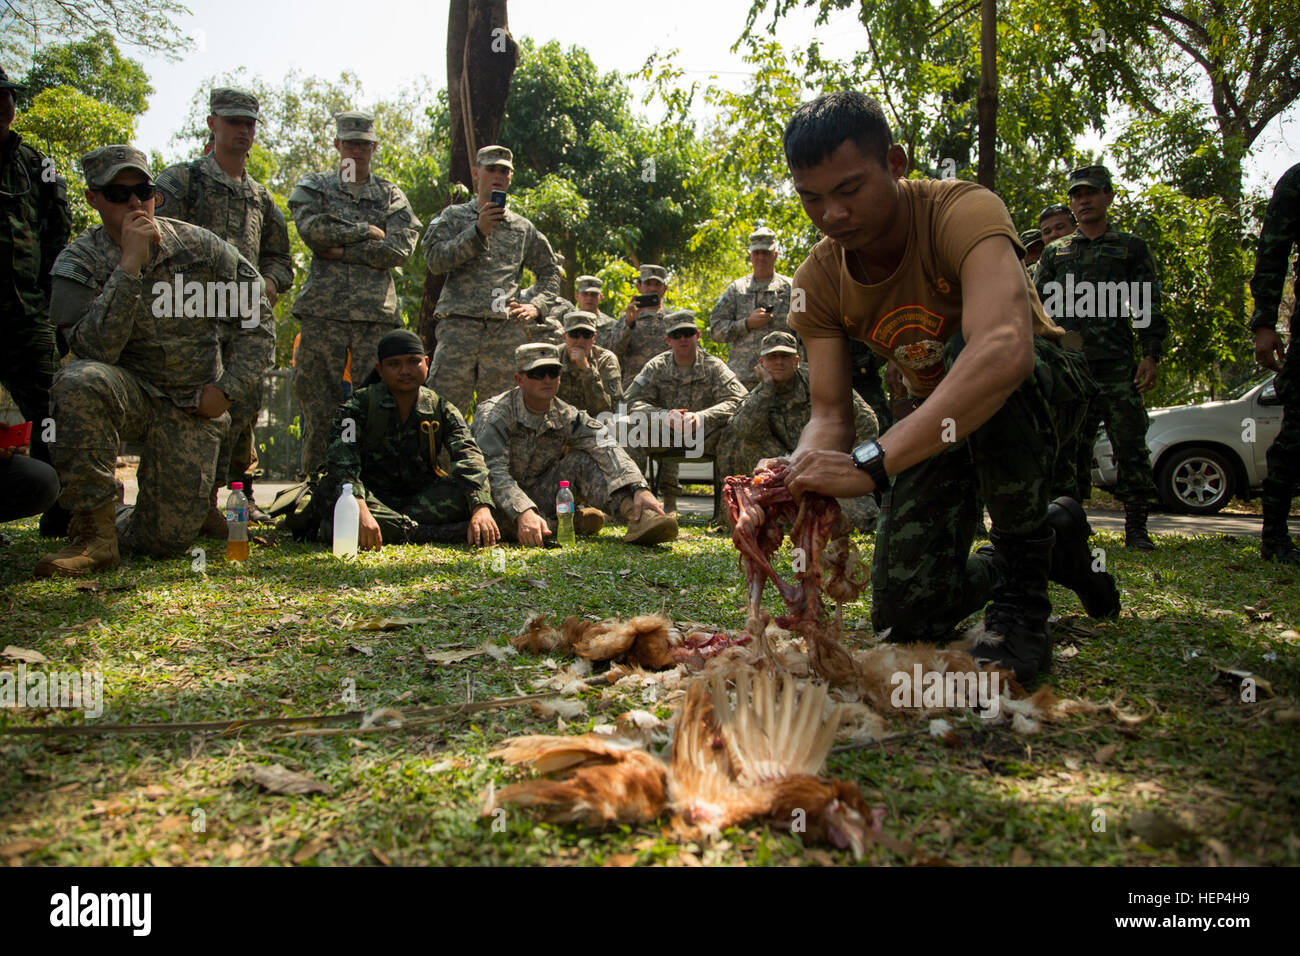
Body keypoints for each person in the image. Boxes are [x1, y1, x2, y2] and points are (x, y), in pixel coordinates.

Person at [779, 91, 1117, 683]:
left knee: (973, 351)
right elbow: (829, 411)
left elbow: (1004, 350)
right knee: (907, 610)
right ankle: (1054, 542)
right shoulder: (818, 279)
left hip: (1038, 394)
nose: (831, 214)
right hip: (940, 423)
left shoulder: (964, 209)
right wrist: (802, 466)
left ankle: (1022, 600)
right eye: (812, 198)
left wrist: (874, 461)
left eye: (850, 190)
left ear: (897, 163)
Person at [36, 145, 274, 576]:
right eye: (117, 193)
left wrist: (226, 389)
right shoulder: (78, 262)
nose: (134, 203)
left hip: (190, 405)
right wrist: (129, 266)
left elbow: (257, 318)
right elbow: (93, 352)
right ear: (92, 199)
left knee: (163, 541)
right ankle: (94, 533)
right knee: (78, 380)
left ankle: (185, 509)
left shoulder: (201, 248)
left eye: (143, 191)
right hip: (128, 394)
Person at [156, 87, 294, 529]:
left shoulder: (260, 198)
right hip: (191, 319)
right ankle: (191, 502)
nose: (242, 130)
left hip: (245, 322)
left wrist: (270, 283)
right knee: (193, 408)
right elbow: (155, 239)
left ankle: (238, 498)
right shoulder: (181, 183)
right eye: (233, 121)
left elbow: (280, 257)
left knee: (244, 408)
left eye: (249, 123)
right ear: (212, 123)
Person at [1034, 164, 1167, 550]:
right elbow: (1037, 305)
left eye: (1091, 193)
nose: (1083, 200)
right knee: (1069, 447)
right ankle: (1071, 525)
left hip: (1117, 363)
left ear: (1109, 196)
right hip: (1071, 364)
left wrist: (1150, 354)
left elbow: (1146, 303)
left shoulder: (1130, 248)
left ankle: (1137, 528)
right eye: (1076, 195)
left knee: (1129, 442)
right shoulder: (1057, 252)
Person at [289, 111, 420, 475]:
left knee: (379, 401)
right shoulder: (316, 187)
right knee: (318, 400)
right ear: (337, 145)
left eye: (364, 144)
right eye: (350, 143)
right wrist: (366, 230)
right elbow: (312, 231)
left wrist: (342, 250)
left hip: (374, 317)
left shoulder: (391, 195)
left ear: (374, 147)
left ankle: (374, 483)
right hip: (323, 313)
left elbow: (399, 250)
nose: (357, 151)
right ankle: (317, 484)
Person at [473, 343, 678, 547]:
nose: (547, 379)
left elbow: (606, 444)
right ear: (520, 379)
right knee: (483, 525)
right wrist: (523, 511)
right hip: (495, 500)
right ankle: (569, 522)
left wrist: (639, 487)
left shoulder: (566, 414)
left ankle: (638, 515)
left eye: (553, 372)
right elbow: (492, 471)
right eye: (538, 373)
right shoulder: (496, 414)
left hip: (541, 491)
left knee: (582, 461)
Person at [311, 329, 498, 549]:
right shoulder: (357, 407)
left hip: (418, 501)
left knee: (467, 490)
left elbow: (468, 454)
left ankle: (385, 528)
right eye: (394, 364)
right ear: (380, 369)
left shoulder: (440, 408)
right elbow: (342, 461)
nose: (405, 371)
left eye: (413, 362)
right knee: (333, 495)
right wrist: (359, 508)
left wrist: (481, 507)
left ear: (426, 363)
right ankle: (427, 533)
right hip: (369, 497)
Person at [422, 145, 562, 416]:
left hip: (502, 332)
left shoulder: (521, 227)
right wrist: (477, 232)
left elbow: (550, 270)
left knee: (499, 416)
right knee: (442, 412)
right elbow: (435, 261)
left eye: (504, 171)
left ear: (510, 178)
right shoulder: (454, 217)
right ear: (476, 173)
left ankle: (491, 461)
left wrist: (537, 306)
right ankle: (441, 461)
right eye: (491, 169)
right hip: (459, 327)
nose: (497, 175)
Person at [0, 66, 71, 535]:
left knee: (50, 411)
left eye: (7, 96)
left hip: (27, 314)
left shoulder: (33, 163)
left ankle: (61, 513)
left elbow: (57, 229)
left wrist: (48, 297)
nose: (5, 104)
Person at [724, 330, 879, 531]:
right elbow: (743, 430)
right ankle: (780, 505)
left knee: (860, 520)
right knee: (748, 442)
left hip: (829, 465)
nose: (779, 362)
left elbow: (866, 421)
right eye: (773, 357)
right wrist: (767, 387)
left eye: (785, 357)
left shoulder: (821, 383)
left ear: (796, 360)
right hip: (784, 472)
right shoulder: (759, 392)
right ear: (762, 363)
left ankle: (808, 507)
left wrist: (851, 465)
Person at [624, 312, 747, 513]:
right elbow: (631, 401)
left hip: (704, 435)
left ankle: (731, 512)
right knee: (630, 430)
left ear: (697, 335)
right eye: (677, 334)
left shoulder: (713, 366)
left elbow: (740, 400)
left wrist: (702, 417)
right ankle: (632, 508)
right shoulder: (656, 366)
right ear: (668, 339)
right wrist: (662, 415)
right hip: (665, 435)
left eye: (688, 333)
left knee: (736, 433)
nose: (683, 338)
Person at [1248, 162, 1300, 565]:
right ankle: (1276, 535)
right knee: (1297, 434)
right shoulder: (1297, 180)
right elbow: (1272, 252)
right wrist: (1263, 321)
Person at [709, 227, 797, 388]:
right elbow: (715, 331)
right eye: (756, 253)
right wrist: (746, 323)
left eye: (766, 253)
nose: (761, 257)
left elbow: (808, 332)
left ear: (775, 255)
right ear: (750, 256)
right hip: (745, 380)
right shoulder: (736, 290)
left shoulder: (793, 288)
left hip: (785, 380)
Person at [606, 264, 675, 388]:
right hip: (635, 389)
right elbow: (613, 353)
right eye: (648, 284)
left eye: (657, 284)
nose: (652, 288)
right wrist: (629, 325)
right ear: (639, 287)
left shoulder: (674, 319)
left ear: (664, 288)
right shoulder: (626, 319)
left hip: (668, 388)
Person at [556, 310, 623, 415]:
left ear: (594, 338)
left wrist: (586, 369)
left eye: (587, 335)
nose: (581, 340)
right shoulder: (554, 357)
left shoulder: (606, 360)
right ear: (564, 337)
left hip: (596, 422)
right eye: (575, 334)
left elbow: (614, 409)